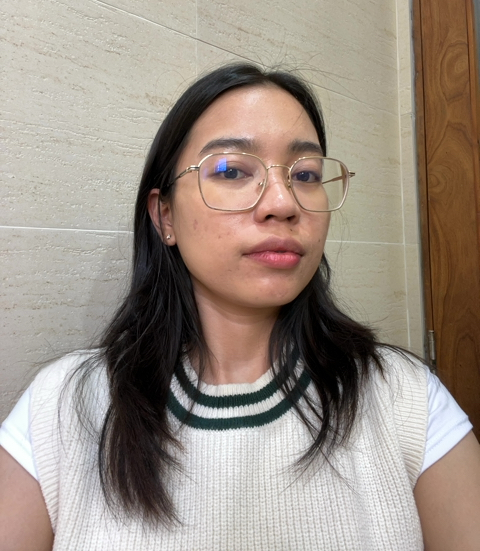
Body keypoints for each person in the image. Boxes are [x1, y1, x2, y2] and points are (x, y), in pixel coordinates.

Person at [1, 63, 480, 550]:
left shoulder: (402, 398)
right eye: (232, 170)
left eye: (306, 175)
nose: (283, 203)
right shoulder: (63, 409)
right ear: (165, 216)